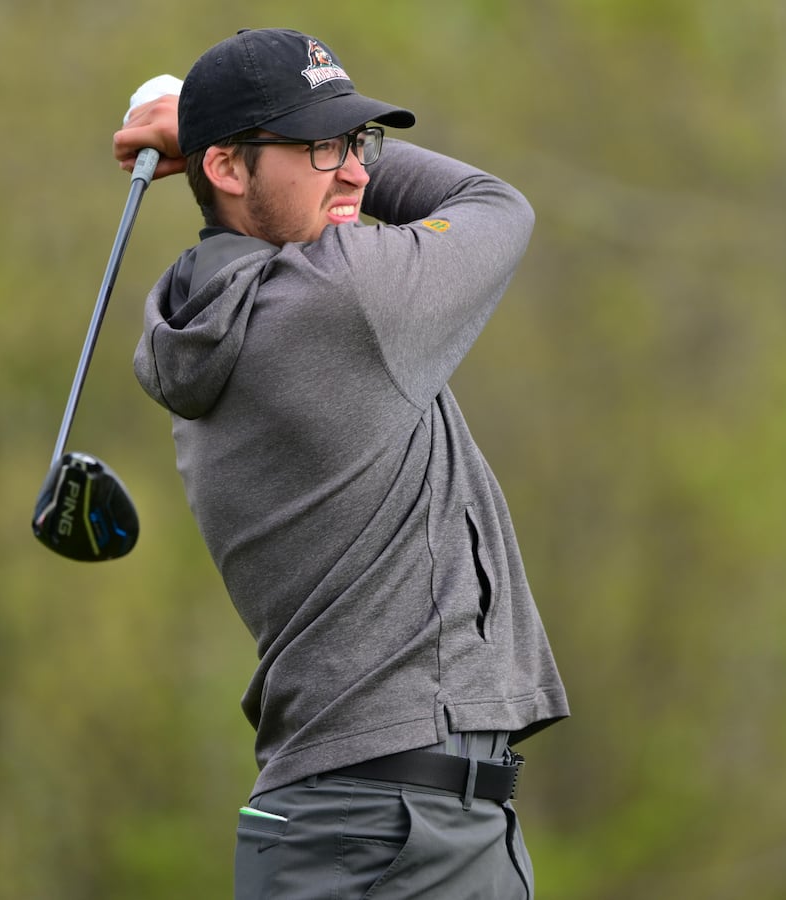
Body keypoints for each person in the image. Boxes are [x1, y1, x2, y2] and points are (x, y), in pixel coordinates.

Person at [114, 28, 569, 900]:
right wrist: (193, 129)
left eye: (360, 143)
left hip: (366, 820)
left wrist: (216, 135)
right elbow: (494, 204)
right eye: (320, 146)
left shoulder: (211, 312)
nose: (356, 172)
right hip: (398, 830)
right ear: (227, 170)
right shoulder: (345, 296)